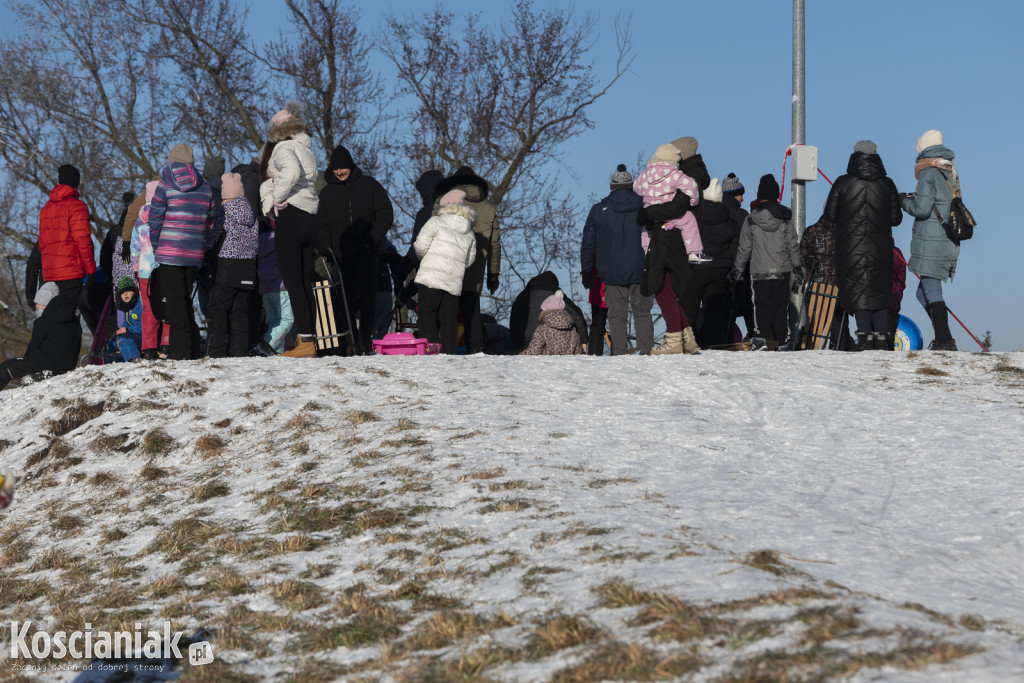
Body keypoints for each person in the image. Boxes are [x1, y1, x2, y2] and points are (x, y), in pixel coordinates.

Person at [822, 140, 903, 351]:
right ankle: (883, 337)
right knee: (879, 291)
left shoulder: (842, 183)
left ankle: (864, 336)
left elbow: (830, 215)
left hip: (851, 248)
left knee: (858, 290)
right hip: (880, 248)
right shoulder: (887, 184)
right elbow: (896, 219)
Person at [317, 144, 393, 355]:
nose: (339, 172)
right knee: (344, 299)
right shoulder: (327, 193)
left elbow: (385, 213)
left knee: (368, 297)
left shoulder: (369, 185)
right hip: (340, 256)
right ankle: (349, 342)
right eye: (336, 169)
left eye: (343, 168)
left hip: (367, 252)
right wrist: (324, 245)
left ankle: (366, 339)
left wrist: (373, 238)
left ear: (351, 167)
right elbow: (322, 223)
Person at [259, 104, 320, 358]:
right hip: (309, 215)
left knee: (293, 283)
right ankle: (309, 338)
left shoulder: (284, 147)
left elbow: (291, 172)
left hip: (291, 215)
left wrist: (276, 198)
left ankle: (306, 341)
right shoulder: (306, 148)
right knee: (305, 282)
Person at [149, 143, 218, 360]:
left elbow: (155, 219)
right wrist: (202, 244)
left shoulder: (165, 186)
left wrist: (156, 245)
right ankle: (192, 348)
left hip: (169, 252)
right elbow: (211, 222)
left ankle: (180, 353)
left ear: (172, 161)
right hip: (193, 254)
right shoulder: (205, 188)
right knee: (185, 300)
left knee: (176, 303)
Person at [580, 164, 653, 355]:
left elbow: (588, 244)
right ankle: (646, 351)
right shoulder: (646, 207)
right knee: (643, 313)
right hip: (642, 268)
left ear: (612, 187)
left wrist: (587, 271)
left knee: (616, 315)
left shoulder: (598, 210)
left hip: (611, 272)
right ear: (631, 186)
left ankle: (619, 353)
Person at [901, 129, 960, 351]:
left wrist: (903, 201)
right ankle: (943, 336)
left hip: (932, 241)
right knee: (922, 291)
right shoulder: (949, 171)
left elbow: (922, 209)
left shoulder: (929, 173)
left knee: (932, 289)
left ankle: (945, 340)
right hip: (946, 239)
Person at [433, 167, 501, 353]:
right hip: (475, 266)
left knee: (447, 310)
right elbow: (494, 244)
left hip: (448, 263)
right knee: (472, 309)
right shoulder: (489, 207)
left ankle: (445, 349)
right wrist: (493, 274)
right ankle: (476, 349)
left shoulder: (443, 201)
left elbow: (432, 231)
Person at [730, 174, 802, 350]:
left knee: (760, 306)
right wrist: (797, 267)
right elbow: (792, 244)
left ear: (759, 195)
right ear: (777, 194)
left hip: (759, 270)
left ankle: (762, 339)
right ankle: (783, 340)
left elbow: (744, 248)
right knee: (780, 307)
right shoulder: (785, 218)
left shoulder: (751, 219)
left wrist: (737, 270)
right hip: (782, 269)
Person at [412, 189, 478, 353]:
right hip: (453, 280)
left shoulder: (435, 222)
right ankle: (449, 351)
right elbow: (469, 260)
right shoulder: (469, 232)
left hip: (431, 276)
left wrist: (426, 258)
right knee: (448, 317)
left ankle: (431, 347)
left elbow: (420, 245)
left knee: (427, 312)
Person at [680, 178, 742, 347]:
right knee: (713, 311)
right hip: (720, 270)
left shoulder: (693, 217)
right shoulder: (729, 220)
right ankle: (713, 345)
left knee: (688, 309)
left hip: (695, 268)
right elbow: (735, 248)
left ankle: (687, 343)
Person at [207, 173, 258, 357]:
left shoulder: (224, 212)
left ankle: (216, 351)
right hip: (247, 267)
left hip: (227, 266)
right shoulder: (251, 214)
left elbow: (213, 238)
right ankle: (239, 352)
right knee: (240, 311)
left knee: (218, 309)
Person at [633, 145, 707, 264]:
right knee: (689, 221)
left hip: (649, 212)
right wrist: (694, 201)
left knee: (647, 228)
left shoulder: (645, 174)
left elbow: (636, 188)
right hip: (669, 212)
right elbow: (691, 185)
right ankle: (694, 252)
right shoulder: (674, 174)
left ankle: (647, 250)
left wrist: (645, 193)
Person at [0, 282, 81, 390]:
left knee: (7, 367)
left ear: (48, 304)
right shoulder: (74, 320)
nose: (37, 306)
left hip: (43, 363)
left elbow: (33, 346)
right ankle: (44, 375)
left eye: (40, 303)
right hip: (65, 366)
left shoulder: (43, 321)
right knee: (28, 375)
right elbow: (77, 346)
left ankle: (41, 374)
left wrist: (26, 361)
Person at [37, 164, 96, 309]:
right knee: (68, 319)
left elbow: (42, 244)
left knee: (52, 318)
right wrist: (91, 271)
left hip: (50, 274)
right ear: (75, 183)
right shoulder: (77, 206)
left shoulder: (46, 208)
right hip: (70, 273)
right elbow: (82, 241)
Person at [130, 180, 169, 360]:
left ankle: (148, 347)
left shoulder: (139, 221)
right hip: (164, 267)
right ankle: (166, 344)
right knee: (168, 305)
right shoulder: (166, 215)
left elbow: (134, 248)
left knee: (149, 309)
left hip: (145, 270)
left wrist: (135, 268)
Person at [509, 271, 588, 352]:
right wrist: (584, 341)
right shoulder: (554, 294)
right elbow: (577, 316)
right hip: (547, 343)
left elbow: (512, 321)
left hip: (520, 341)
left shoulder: (521, 296)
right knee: (567, 321)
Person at [721, 173, 753, 338]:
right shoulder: (742, 215)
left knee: (725, 307)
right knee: (746, 304)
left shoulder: (716, 212)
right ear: (734, 195)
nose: (742, 199)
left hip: (720, 267)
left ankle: (724, 337)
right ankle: (753, 335)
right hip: (740, 267)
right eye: (741, 194)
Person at [257, 219, 293, 355]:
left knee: (274, 322)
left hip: (265, 289)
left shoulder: (258, 242)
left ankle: (276, 351)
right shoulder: (280, 241)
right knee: (288, 319)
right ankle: (266, 343)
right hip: (281, 287)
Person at [520, 291, 584, 355]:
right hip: (567, 364)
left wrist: (519, 356)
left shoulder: (542, 330)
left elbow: (534, 351)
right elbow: (578, 353)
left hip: (547, 364)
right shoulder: (573, 330)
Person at [113, 277, 143, 362]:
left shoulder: (140, 304)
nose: (125, 294)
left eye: (128, 291)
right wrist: (122, 329)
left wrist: (127, 329)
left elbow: (145, 325)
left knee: (124, 339)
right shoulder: (127, 307)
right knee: (113, 341)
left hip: (143, 336)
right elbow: (126, 322)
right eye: (122, 292)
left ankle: (133, 360)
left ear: (134, 292)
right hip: (134, 335)